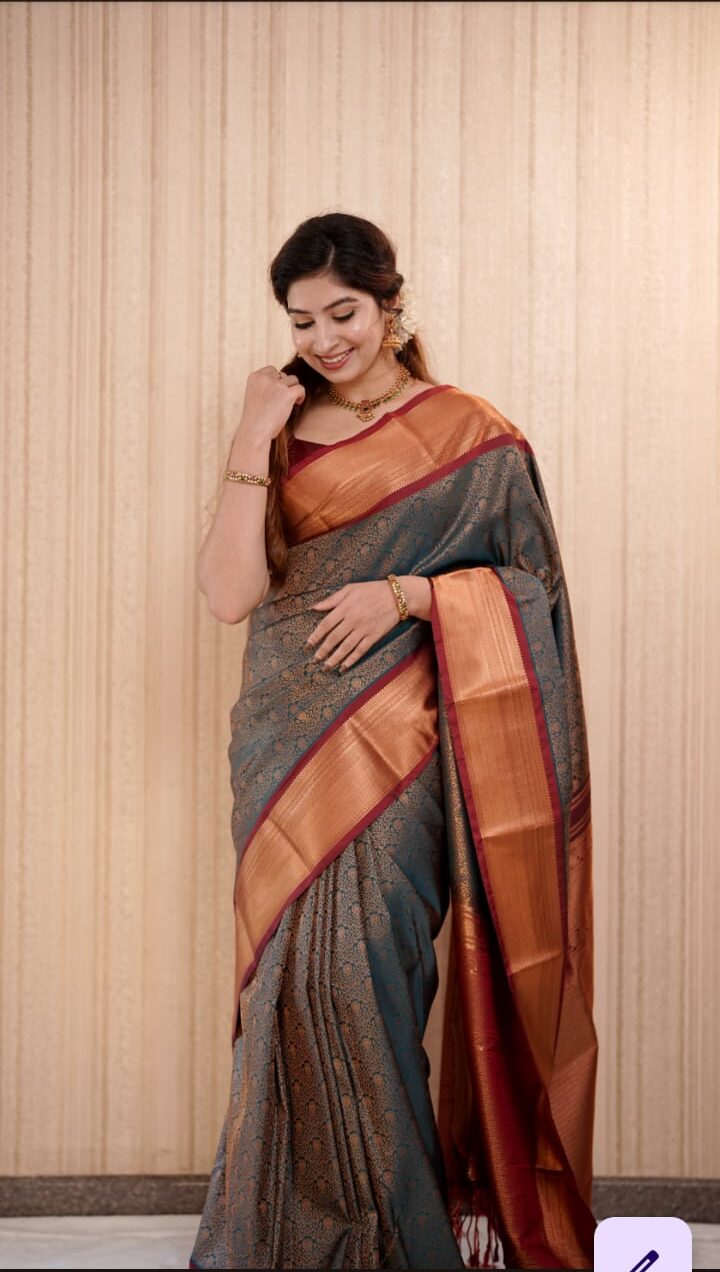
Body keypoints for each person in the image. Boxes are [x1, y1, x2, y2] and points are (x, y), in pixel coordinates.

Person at [189, 212, 598, 1271]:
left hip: (401, 746)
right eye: (303, 321)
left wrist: (408, 594)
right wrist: (251, 431)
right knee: (287, 992)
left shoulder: (470, 434)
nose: (325, 339)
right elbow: (230, 595)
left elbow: (534, 594)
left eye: (344, 314)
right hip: (280, 742)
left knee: (364, 980)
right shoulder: (280, 428)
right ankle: (281, 1244)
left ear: (390, 306)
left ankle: (393, 1244)